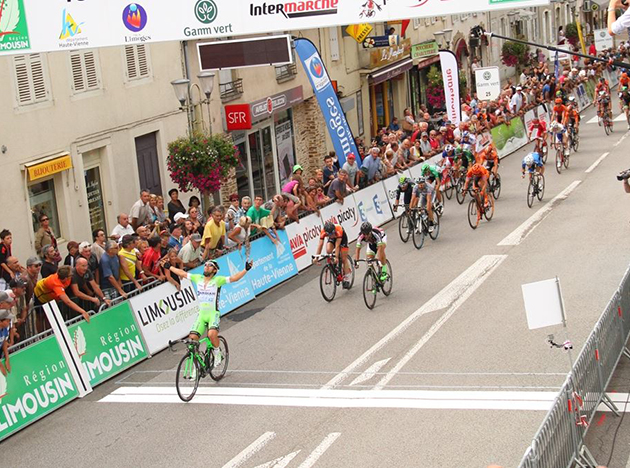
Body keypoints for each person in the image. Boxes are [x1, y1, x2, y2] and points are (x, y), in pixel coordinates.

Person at [166, 259, 252, 365]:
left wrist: (246, 269)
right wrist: (169, 267)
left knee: (211, 334)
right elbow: (182, 273)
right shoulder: (198, 278)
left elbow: (234, 278)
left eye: (210, 265)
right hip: (202, 315)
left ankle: (217, 353)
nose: (206, 267)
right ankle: (197, 366)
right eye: (205, 265)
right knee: (192, 339)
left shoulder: (218, 280)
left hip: (213, 314)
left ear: (215, 270)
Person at [314, 221, 352, 289]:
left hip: (342, 238)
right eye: (330, 234)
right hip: (332, 240)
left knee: (343, 259)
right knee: (328, 251)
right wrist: (316, 258)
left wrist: (336, 257)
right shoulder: (323, 232)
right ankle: (334, 267)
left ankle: (346, 278)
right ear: (327, 233)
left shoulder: (338, 230)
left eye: (333, 233)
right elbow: (320, 245)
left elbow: (337, 246)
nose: (332, 235)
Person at [0, 309, 12, 376]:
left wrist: (7, 359)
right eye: (7, 321)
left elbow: (4, 342)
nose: (9, 322)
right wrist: (1, 366)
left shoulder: (4, 328)